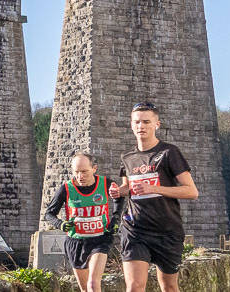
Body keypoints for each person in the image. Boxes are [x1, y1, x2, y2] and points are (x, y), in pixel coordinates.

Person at [113, 102, 199, 292]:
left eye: (146, 122)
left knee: (168, 286)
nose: (141, 126)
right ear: (131, 125)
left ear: (156, 124)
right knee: (135, 286)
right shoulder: (127, 158)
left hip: (166, 231)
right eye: (137, 122)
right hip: (135, 230)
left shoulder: (169, 153)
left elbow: (191, 191)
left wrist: (155, 188)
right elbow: (128, 187)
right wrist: (120, 191)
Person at [40, 152, 119, 292]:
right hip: (76, 242)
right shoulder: (66, 188)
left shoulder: (106, 183)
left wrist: (116, 217)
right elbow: (49, 214)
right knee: (84, 289)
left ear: (94, 169)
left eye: (84, 172)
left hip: (100, 239)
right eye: (76, 172)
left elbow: (120, 196)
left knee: (93, 285)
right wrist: (61, 224)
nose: (80, 176)